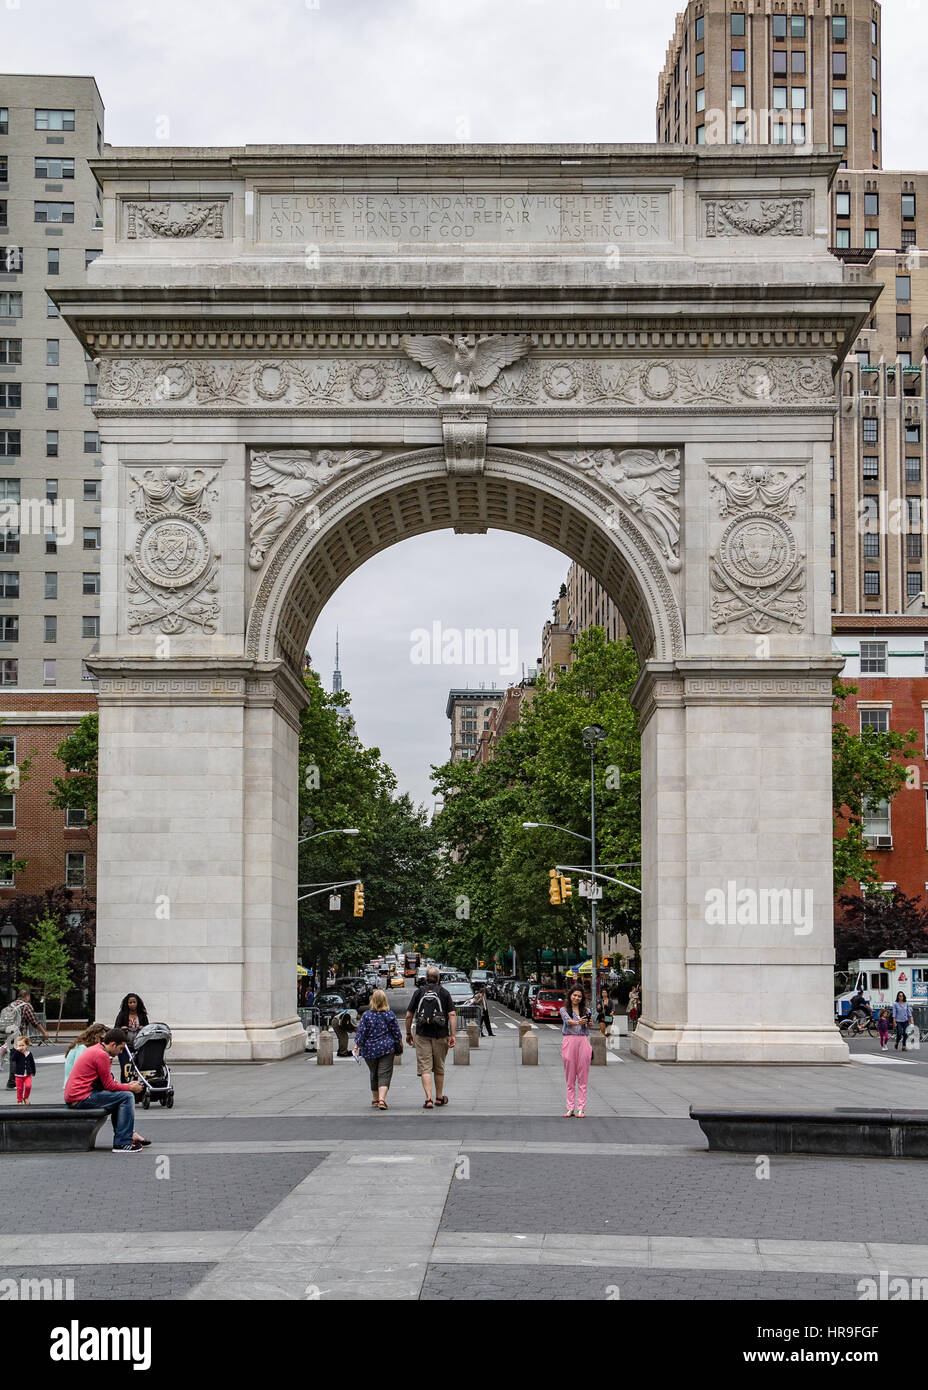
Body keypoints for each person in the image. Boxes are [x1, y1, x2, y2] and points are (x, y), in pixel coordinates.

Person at [63, 1028, 145, 1153]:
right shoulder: (101, 1055)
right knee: (127, 1096)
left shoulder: (95, 1049)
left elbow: (106, 1084)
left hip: (76, 1096)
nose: (120, 1052)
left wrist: (126, 1086)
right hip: (81, 1097)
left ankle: (124, 1138)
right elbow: (109, 1085)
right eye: (121, 1048)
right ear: (113, 1044)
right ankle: (123, 1143)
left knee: (121, 1097)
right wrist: (130, 1087)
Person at [405, 966, 456, 1109]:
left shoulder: (419, 992)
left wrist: (408, 1033)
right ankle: (439, 1097)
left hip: (422, 1034)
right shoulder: (444, 993)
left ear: (426, 978)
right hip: (440, 1034)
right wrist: (452, 1035)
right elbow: (452, 1015)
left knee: (425, 1067)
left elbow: (409, 1015)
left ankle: (428, 1099)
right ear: (438, 979)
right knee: (439, 1066)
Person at [353, 989, 403, 1110]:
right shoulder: (389, 1014)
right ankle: (382, 1099)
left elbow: (361, 1033)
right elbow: (396, 1032)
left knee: (374, 1073)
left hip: (369, 1049)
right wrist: (400, 1043)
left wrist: (356, 1046)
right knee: (384, 1074)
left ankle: (375, 1099)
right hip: (386, 1048)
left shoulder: (366, 1015)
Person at [3, 990, 50, 1089]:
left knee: (14, 1056)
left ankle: (14, 1081)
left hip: (9, 1034)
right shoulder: (26, 1006)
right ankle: (12, 1082)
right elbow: (34, 1022)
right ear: (27, 996)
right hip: (19, 1036)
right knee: (18, 1057)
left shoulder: (11, 1005)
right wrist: (44, 1032)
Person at [560, 984, 593, 1119]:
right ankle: (570, 1107)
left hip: (583, 1041)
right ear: (570, 995)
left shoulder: (586, 1010)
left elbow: (588, 1026)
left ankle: (581, 1108)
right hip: (569, 1041)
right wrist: (579, 1022)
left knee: (583, 1077)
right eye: (574, 995)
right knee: (570, 1077)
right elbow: (568, 1022)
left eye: (579, 996)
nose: (577, 998)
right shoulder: (564, 1009)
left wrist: (588, 1023)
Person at [114, 993, 149, 1082]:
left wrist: (143, 1028)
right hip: (125, 1046)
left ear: (138, 1003)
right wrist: (122, 1028)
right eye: (130, 1002)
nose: (132, 1004)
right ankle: (124, 1085)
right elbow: (116, 1027)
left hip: (138, 1045)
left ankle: (134, 1085)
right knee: (125, 1067)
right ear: (127, 1003)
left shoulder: (142, 1015)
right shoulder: (122, 1014)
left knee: (135, 1068)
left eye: (134, 1002)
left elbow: (148, 1028)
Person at [11, 1035, 36, 1104]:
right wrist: (17, 1051)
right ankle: (19, 1100)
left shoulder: (29, 1054)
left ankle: (26, 1097)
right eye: (19, 1045)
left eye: (23, 1045)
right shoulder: (17, 1053)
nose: (21, 1047)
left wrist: (33, 1072)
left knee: (28, 1086)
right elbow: (13, 1059)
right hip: (18, 1075)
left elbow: (32, 1064)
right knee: (20, 1089)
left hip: (27, 1075)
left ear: (27, 1045)